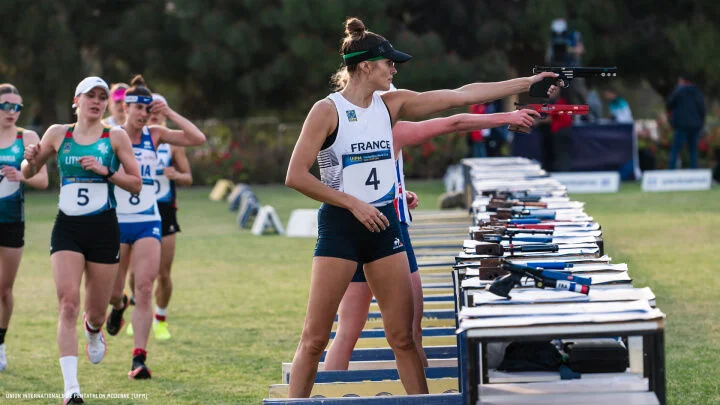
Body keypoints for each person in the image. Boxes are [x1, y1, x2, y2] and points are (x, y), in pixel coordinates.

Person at [284, 17, 558, 397]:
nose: (394, 69)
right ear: (366, 66)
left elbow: (462, 95)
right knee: (314, 338)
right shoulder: (325, 111)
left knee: (404, 337)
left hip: (385, 226)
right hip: (341, 226)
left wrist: (526, 84)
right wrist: (352, 204)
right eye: (389, 63)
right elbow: (296, 175)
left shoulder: (392, 104)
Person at [323, 101, 539, 371]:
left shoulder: (349, 128)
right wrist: (507, 117)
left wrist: (401, 194)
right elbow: (453, 123)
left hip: (353, 228)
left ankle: (321, 397)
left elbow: (357, 181)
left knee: (346, 333)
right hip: (389, 233)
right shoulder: (392, 130)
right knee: (411, 335)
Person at [22, 76, 142, 404]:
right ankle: (71, 390)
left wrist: (107, 171)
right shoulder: (58, 134)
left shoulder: (114, 136)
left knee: (95, 312)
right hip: (67, 229)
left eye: (103, 97)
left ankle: (93, 330)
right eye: (91, 95)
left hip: (103, 230)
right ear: (77, 100)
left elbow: (136, 184)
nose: (97, 101)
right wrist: (30, 159)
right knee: (67, 304)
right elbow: (28, 173)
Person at [104, 75, 206, 380]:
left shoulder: (156, 134)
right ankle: (119, 305)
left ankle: (139, 359)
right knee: (111, 292)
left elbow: (197, 139)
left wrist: (171, 113)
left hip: (149, 219)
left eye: (148, 108)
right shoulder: (110, 135)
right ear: (125, 107)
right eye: (138, 107)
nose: (144, 113)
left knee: (145, 288)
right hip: (117, 222)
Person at [126, 93, 193, 340]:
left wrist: (175, 174)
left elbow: (188, 178)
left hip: (165, 210)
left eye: (156, 112)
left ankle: (161, 318)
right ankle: (137, 311)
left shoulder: (170, 143)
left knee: (163, 272)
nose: (150, 116)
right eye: (147, 111)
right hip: (137, 208)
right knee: (135, 273)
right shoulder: (132, 139)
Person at [0, 84, 49, 372]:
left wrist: (21, 175)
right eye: (5, 105)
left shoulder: (28, 137)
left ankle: (1, 343)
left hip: (11, 223)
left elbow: (43, 181)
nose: (11, 111)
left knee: (4, 290)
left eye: (16, 107)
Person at [667, 73, 706, 169]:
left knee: (675, 149)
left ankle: (670, 171)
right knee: (693, 150)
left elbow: (669, 104)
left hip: (682, 125)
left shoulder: (679, 91)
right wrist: (700, 123)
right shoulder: (697, 92)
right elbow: (702, 109)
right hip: (695, 125)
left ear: (683, 81)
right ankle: (694, 172)